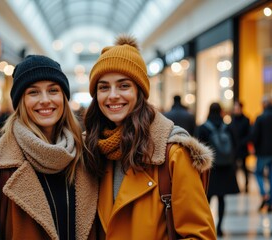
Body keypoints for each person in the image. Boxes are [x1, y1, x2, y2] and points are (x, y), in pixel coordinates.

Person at [84, 34, 215, 239]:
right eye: (103, 87)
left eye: (123, 85)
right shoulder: (92, 150)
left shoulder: (172, 153)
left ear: (140, 91)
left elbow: (199, 235)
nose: (112, 95)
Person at [0, 55, 98, 239]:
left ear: (64, 98)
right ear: (20, 102)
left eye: (53, 90)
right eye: (33, 92)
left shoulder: (86, 156)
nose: (45, 100)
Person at [195, 102, 240, 237]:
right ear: (220, 111)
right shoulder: (227, 127)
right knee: (222, 198)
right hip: (225, 167)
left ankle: (208, 225)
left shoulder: (203, 128)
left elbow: (197, 147)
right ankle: (219, 227)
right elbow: (235, 145)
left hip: (209, 168)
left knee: (206, 199)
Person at [251, 96, 272, 212]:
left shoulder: (260, 118)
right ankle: (270, 200)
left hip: (263, 152)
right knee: (271, 176)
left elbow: (254, 136)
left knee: (258, 173)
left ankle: (264, 194)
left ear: (263, 104)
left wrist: (253, 147)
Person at [230, 101, 251, 193]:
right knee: (234, 168)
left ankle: (246, 185)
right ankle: (235, 186)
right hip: (234, 148)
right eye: (235, 108)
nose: (236, 110)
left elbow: (249, 134)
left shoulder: (246, 120)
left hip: (242, 147)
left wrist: (242, 142)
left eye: (237, 108)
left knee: (244, 167)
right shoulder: (232, 119)